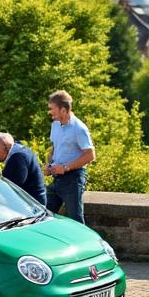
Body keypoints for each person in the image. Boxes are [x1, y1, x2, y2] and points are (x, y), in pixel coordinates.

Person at [45, 90, 95, 224]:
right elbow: (55, 149)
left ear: (63, 109)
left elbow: (90, 155)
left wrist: (65, 167)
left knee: (76, 220)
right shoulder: (55, 125)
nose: (50, 112)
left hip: (73, 179)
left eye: (52, 109)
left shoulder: (79, 128)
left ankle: (87, 244)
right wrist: (50, 166)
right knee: (44, 215)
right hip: (57, 179)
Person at [0, 132, 46, 206]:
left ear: (4, 147)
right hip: (33, 201)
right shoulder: (20, 150)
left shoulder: (18, 158)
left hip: (32, 205)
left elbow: (12, 186)